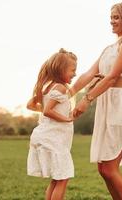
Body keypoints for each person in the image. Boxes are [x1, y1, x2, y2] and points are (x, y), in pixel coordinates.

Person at [70, 2, 122, 199]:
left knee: (110, 168)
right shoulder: (109, 48)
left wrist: (86, 99)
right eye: (111, 17)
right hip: (105, 102)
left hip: (119, 103)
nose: (112, 21)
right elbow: (89, 74)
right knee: (103, 169)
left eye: (116, 17)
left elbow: (113, 76)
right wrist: (69, 93)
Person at [26, 48, 77, 200]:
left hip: (47, 137)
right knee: (63, 178)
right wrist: (65, 118)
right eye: (72, 70)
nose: (75, 73)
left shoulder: (46, 87)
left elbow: (30, 105)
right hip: (54, 140)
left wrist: (45, 109)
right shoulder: (60, 87)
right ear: (61, 69)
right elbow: (48, 111)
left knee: (57, 178)